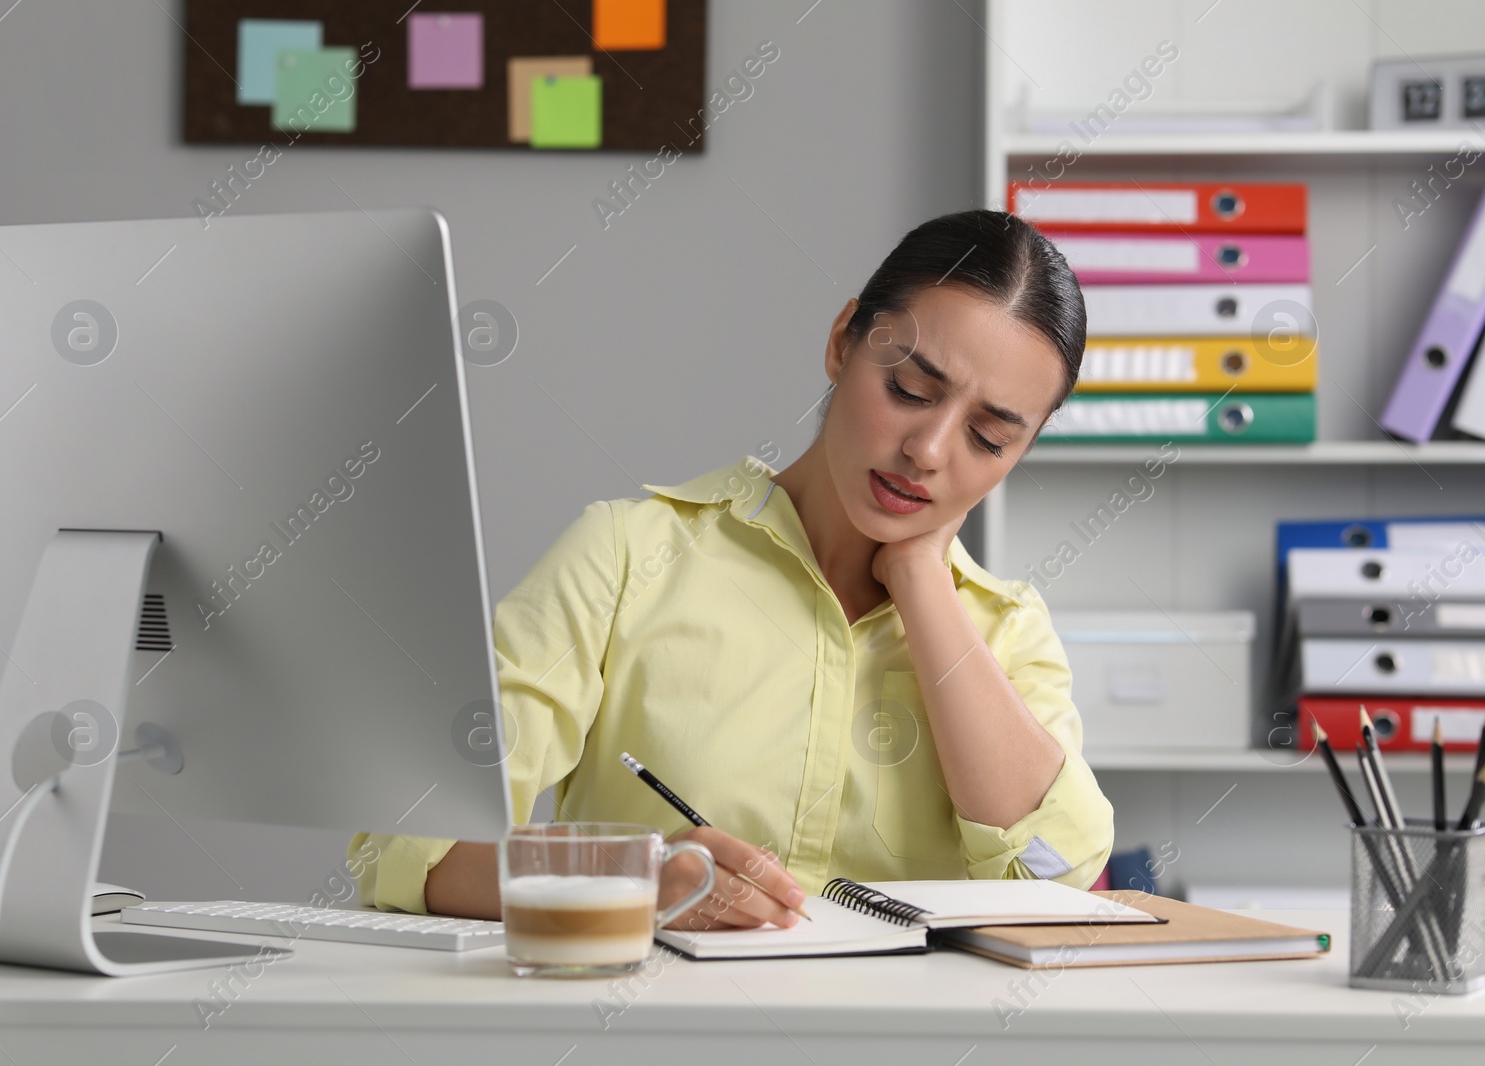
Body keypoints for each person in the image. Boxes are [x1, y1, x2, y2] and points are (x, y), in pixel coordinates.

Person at [351, 209, 1113, 931]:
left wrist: (920, 577)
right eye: (910, 390)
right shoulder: (625, 557)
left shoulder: (1008, 634)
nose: (930, 450)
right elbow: (406, 844)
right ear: (844, 342)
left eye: (988, 438)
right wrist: (631, 885)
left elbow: (1057, 882)